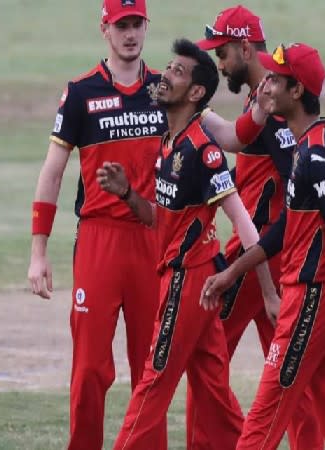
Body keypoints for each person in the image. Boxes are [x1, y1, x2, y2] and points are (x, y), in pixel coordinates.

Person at [97, 38, 281, 450]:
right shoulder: (169, 144)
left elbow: (243, 221)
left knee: (155, 380)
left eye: (177, 73)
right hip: (187, 280)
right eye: (168, 68)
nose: (165, 76)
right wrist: (128, 193)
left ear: (196, 93)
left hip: (190, 282)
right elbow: (161, 221)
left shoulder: (203, 150)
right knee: (214, 393)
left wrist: (268, 289)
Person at [201, 42, 325, 450]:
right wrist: (235, 270)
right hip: (316, 296)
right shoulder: (305, 147)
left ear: (297, 91)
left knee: (264, 416)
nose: (265, 86)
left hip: (313, 297)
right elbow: (286, 228)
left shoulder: (317, 154)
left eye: (275, 80)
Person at [27, 0, 168, 448]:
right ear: (104, 29)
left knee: (150, 368)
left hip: (150, 240)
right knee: (90, 368)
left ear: (147, 26)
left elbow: (206, 149)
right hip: (98, 242)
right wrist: (38, 252)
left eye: (136, 24)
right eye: (121, 25)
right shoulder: (81, 92)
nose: (130, 34)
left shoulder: (167, 90)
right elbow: (52, 172)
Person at [193, 6, 324, 449]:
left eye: (223, 53)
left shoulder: (270, 105)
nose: (219, 63)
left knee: (205, 358)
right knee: (292, 373)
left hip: (257, 258)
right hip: (274, 257)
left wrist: (267, 283)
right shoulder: (266, 99)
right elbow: (233, 135)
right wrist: (199, 111)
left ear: (246, 48)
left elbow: (295, 193)